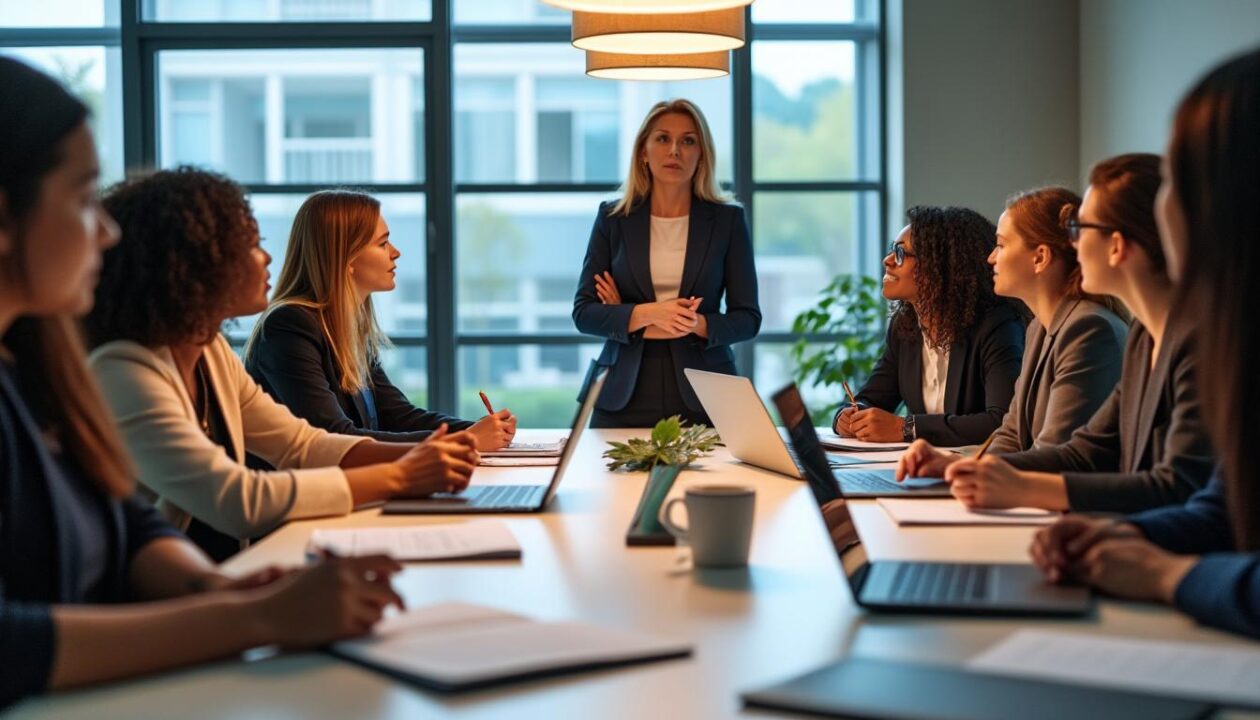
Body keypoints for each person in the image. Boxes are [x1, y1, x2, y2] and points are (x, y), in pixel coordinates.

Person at [0, 57, 404, 710]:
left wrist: (221, 591)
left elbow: (124, 522)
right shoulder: (118, 367)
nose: (104, 232)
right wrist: (254, 618)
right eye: (81, 199)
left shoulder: (36, 366)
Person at [85, 168, 479, 561]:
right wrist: (402, 474)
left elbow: (303, 444)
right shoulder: (126, 372)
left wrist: (436, 452)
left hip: (222, 570)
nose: (268, 256)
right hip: (164, 593)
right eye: (251, 245)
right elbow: (239, 500)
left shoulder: (211, 353)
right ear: (193, 265)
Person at [1030, 48, 1260, 639]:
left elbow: (1179, 488)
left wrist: (1167, 575)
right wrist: (1126, 537)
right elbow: (1217, 507)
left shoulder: (1200, 341)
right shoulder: (1168, 340)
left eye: (1180, 178)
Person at [903, 155, 1214, 513]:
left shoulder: (1173, 340)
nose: (1074, 244)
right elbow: (1088, 450)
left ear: (1115, 245)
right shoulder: (1144, 337)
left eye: (1080, 230)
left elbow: (1177, 487)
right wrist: (965, 468)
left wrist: (1015, 486)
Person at [244, 190, 515, 449]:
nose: (395, 252)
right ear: (346, 257)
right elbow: (334, 438)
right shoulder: (289, 327)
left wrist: (476, 429)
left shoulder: (348, 326)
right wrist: (465, 440)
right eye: (383, 243)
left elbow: (397, 416)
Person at [894, 188, 1128, 462]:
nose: (991, 257)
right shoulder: (1038, 327)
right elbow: (1011, 433)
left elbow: (1054, 453)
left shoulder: (1087, 329)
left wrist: (962, 470)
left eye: (1001, 245)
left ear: (1040, 257)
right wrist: (957, 466)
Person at [573, 99, 760, 428]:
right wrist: (648, 313)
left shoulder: (728, 220)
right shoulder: (613, 218)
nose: (675, 150)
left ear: (701, 154)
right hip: (621, 392)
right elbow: (585, 313)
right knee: (608, 480)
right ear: (643, 152)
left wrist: (695, 323)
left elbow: (748, 318)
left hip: (707, 392)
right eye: (662, 138)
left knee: (711, 480)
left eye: (688, 141)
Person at [832, 206, 1026, 446]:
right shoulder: (905, 328)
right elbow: (871, 398)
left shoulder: (996, 326)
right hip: (920, 470)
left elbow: (1001, 421)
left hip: (977, 473)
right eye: (892, 250)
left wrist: (908, 428)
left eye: (901, 254)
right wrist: (848, 416)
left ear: (941, 266)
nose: (888, 260)